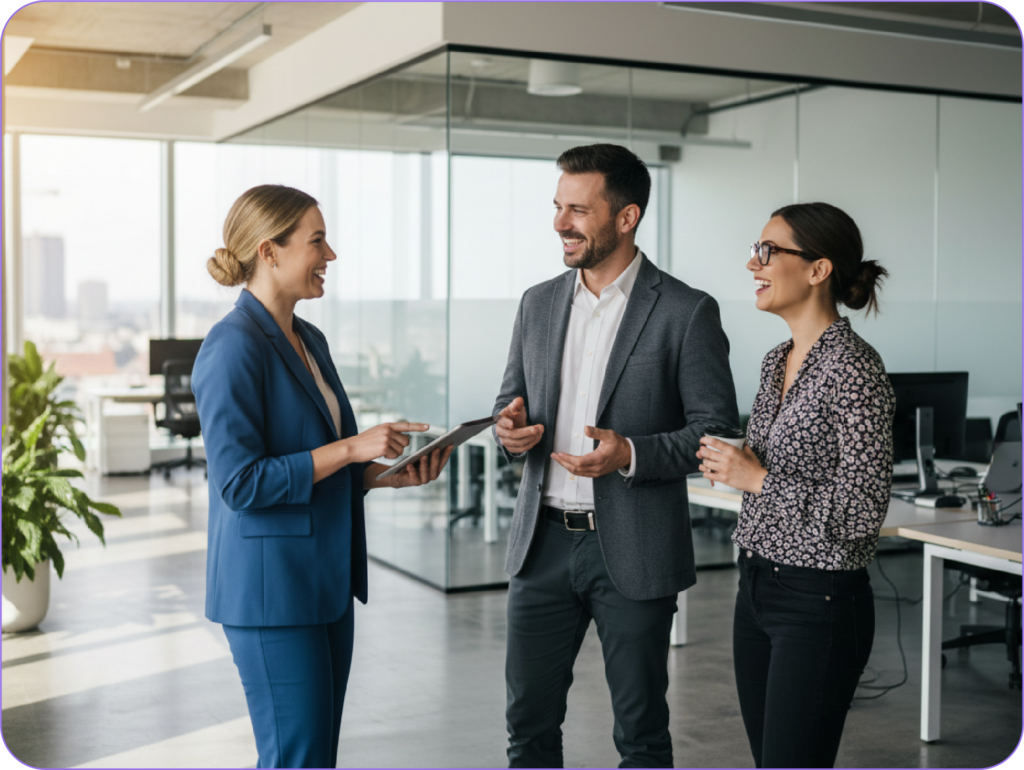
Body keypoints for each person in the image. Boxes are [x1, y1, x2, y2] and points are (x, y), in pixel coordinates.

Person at [492, 144, 739, 768]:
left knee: (641, 733)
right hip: (541, 543)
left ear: (626, 217)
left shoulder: (686, 311)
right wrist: (510, 430)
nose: (559, 224)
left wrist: (631, 453)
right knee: (528, 728)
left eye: (577, 210)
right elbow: (509, 403)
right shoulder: (537, 302)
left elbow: (715, 432)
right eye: (557, 207)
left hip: (631, 544)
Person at [191, 184, 452, 769]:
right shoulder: (231, 347)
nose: (330, 255)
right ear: (270, 251)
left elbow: (317, 468)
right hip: (272, 595)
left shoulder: (309, 339)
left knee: (316, 758)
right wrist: (351, 448)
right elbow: (240, 485)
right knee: (296, 757)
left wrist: (382, 476)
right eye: (317, 241)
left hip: (324, 587)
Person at [696, 202, 894, 768]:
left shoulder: (855, 368)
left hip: (819, 598)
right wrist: (735, 465)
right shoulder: (775, 359)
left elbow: (861, 513)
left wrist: (757, 477)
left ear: (817, 270)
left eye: (768, 251)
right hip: (755, 585)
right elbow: (768, 473)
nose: (753, 263)